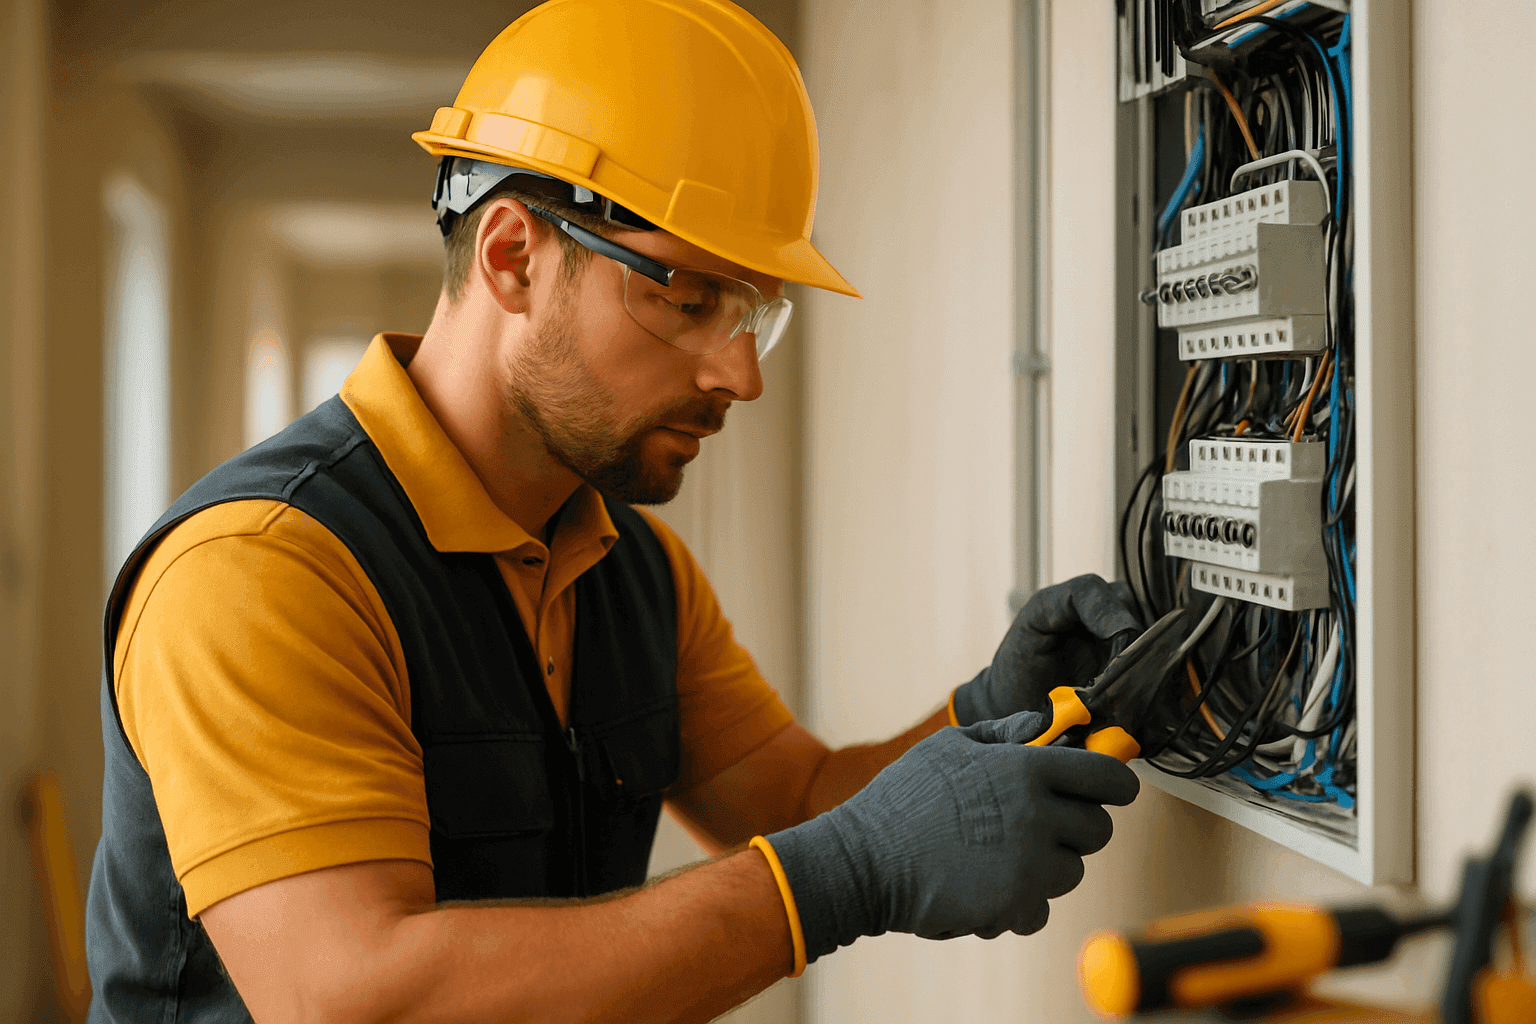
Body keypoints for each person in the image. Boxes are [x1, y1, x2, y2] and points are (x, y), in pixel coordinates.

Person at [84, 2, 1144, 1021]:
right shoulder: (263, 569)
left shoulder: (633, 569)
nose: (740, 374)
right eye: (688, 301)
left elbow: (798, 797)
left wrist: (983, 708)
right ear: (512, 257)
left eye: (753, 317)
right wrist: (843, 878)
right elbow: (360, 1000)